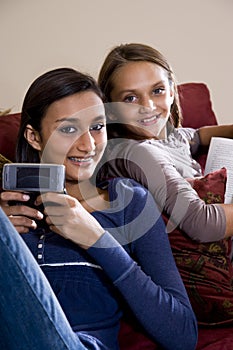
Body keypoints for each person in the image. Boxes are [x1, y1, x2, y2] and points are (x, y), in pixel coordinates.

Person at [0, 68, 197, 350]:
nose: (88, 145)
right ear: (34, 137)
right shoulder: (7, 212)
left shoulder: (129, 202)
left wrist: (98, 240)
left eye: (97, 126)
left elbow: (183, 335)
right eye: (68, 129)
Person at [97, 42, 233, 242]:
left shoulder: (168, 137)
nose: (148, 106)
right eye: (131, 98)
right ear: (110, 109)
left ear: (171, 92)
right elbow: (204, 225)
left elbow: (195, 136)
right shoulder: (137, 152)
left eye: (157, 90)